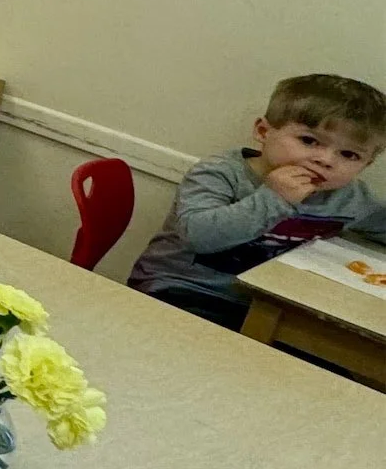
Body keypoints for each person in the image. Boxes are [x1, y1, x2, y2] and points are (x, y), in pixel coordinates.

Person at [129, 73, 386, 328]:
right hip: (182, 289)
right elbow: (199, 235)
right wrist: (275, 197)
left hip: (267, 307)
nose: (326, 160)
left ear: (366, 164)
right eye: (308, 141)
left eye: (349, 155)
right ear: (263, 131)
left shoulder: (350, 197)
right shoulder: (221, 173)